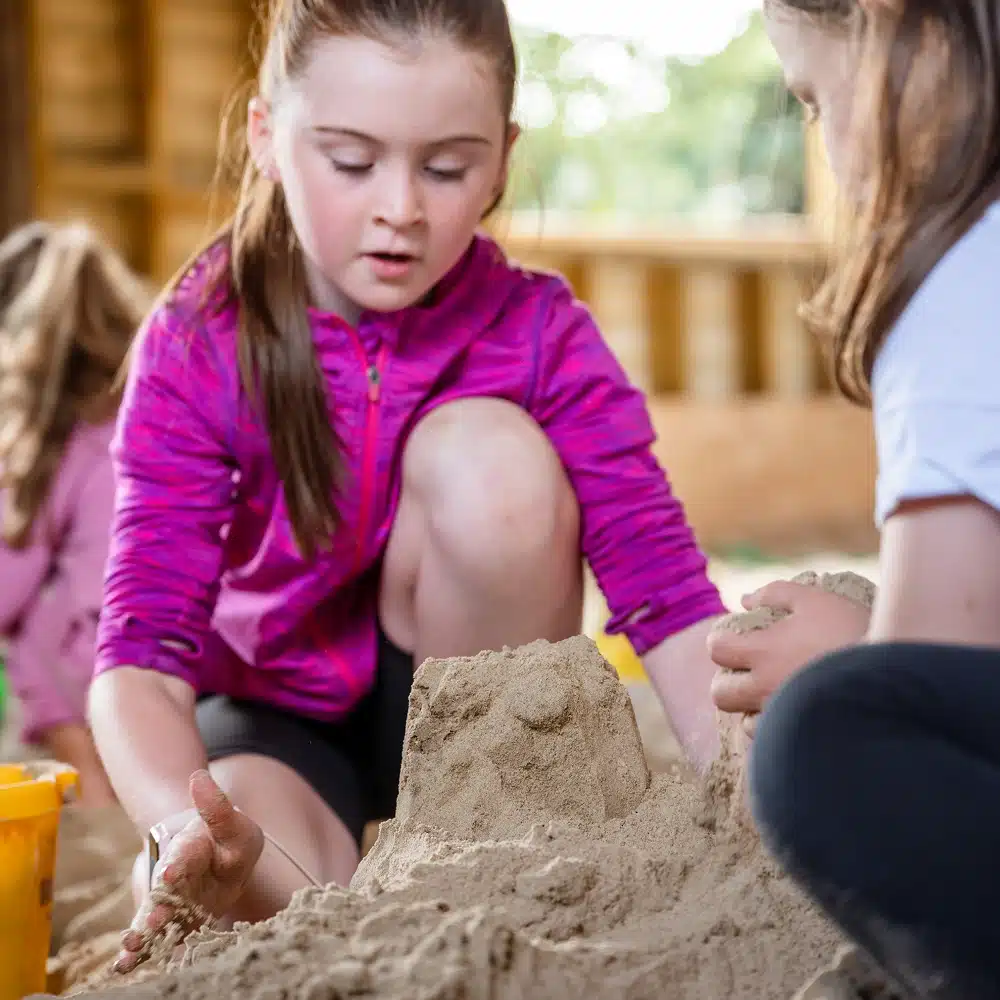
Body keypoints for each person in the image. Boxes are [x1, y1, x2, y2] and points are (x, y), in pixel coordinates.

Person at [93, 0, 730, 971]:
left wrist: (749, 779)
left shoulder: (541, 334)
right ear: (267, 135)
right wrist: (180, 827)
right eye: (351, 161)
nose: (402, 206)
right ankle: (333, 896)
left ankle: (477, 858)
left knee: (491, 459)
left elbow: (669, 599)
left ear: (504, 156)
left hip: (466, 710)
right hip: (273, 720)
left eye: (446, 166)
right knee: (205, 887)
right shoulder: (197, 340)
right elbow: (139, 658)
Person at [709, 1, 1000, 996]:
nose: (826, 146)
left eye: (813, 98)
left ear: (892, 37)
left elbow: (938, 675)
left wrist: (842, 653)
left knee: (826, 730)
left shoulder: (962, 272)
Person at [0, 220, 149, 806]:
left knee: (36, 624)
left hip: (97, 656)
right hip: (176, 639)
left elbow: (7, 585)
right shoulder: (140, 403)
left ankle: (95, 795)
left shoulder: (51, 435)